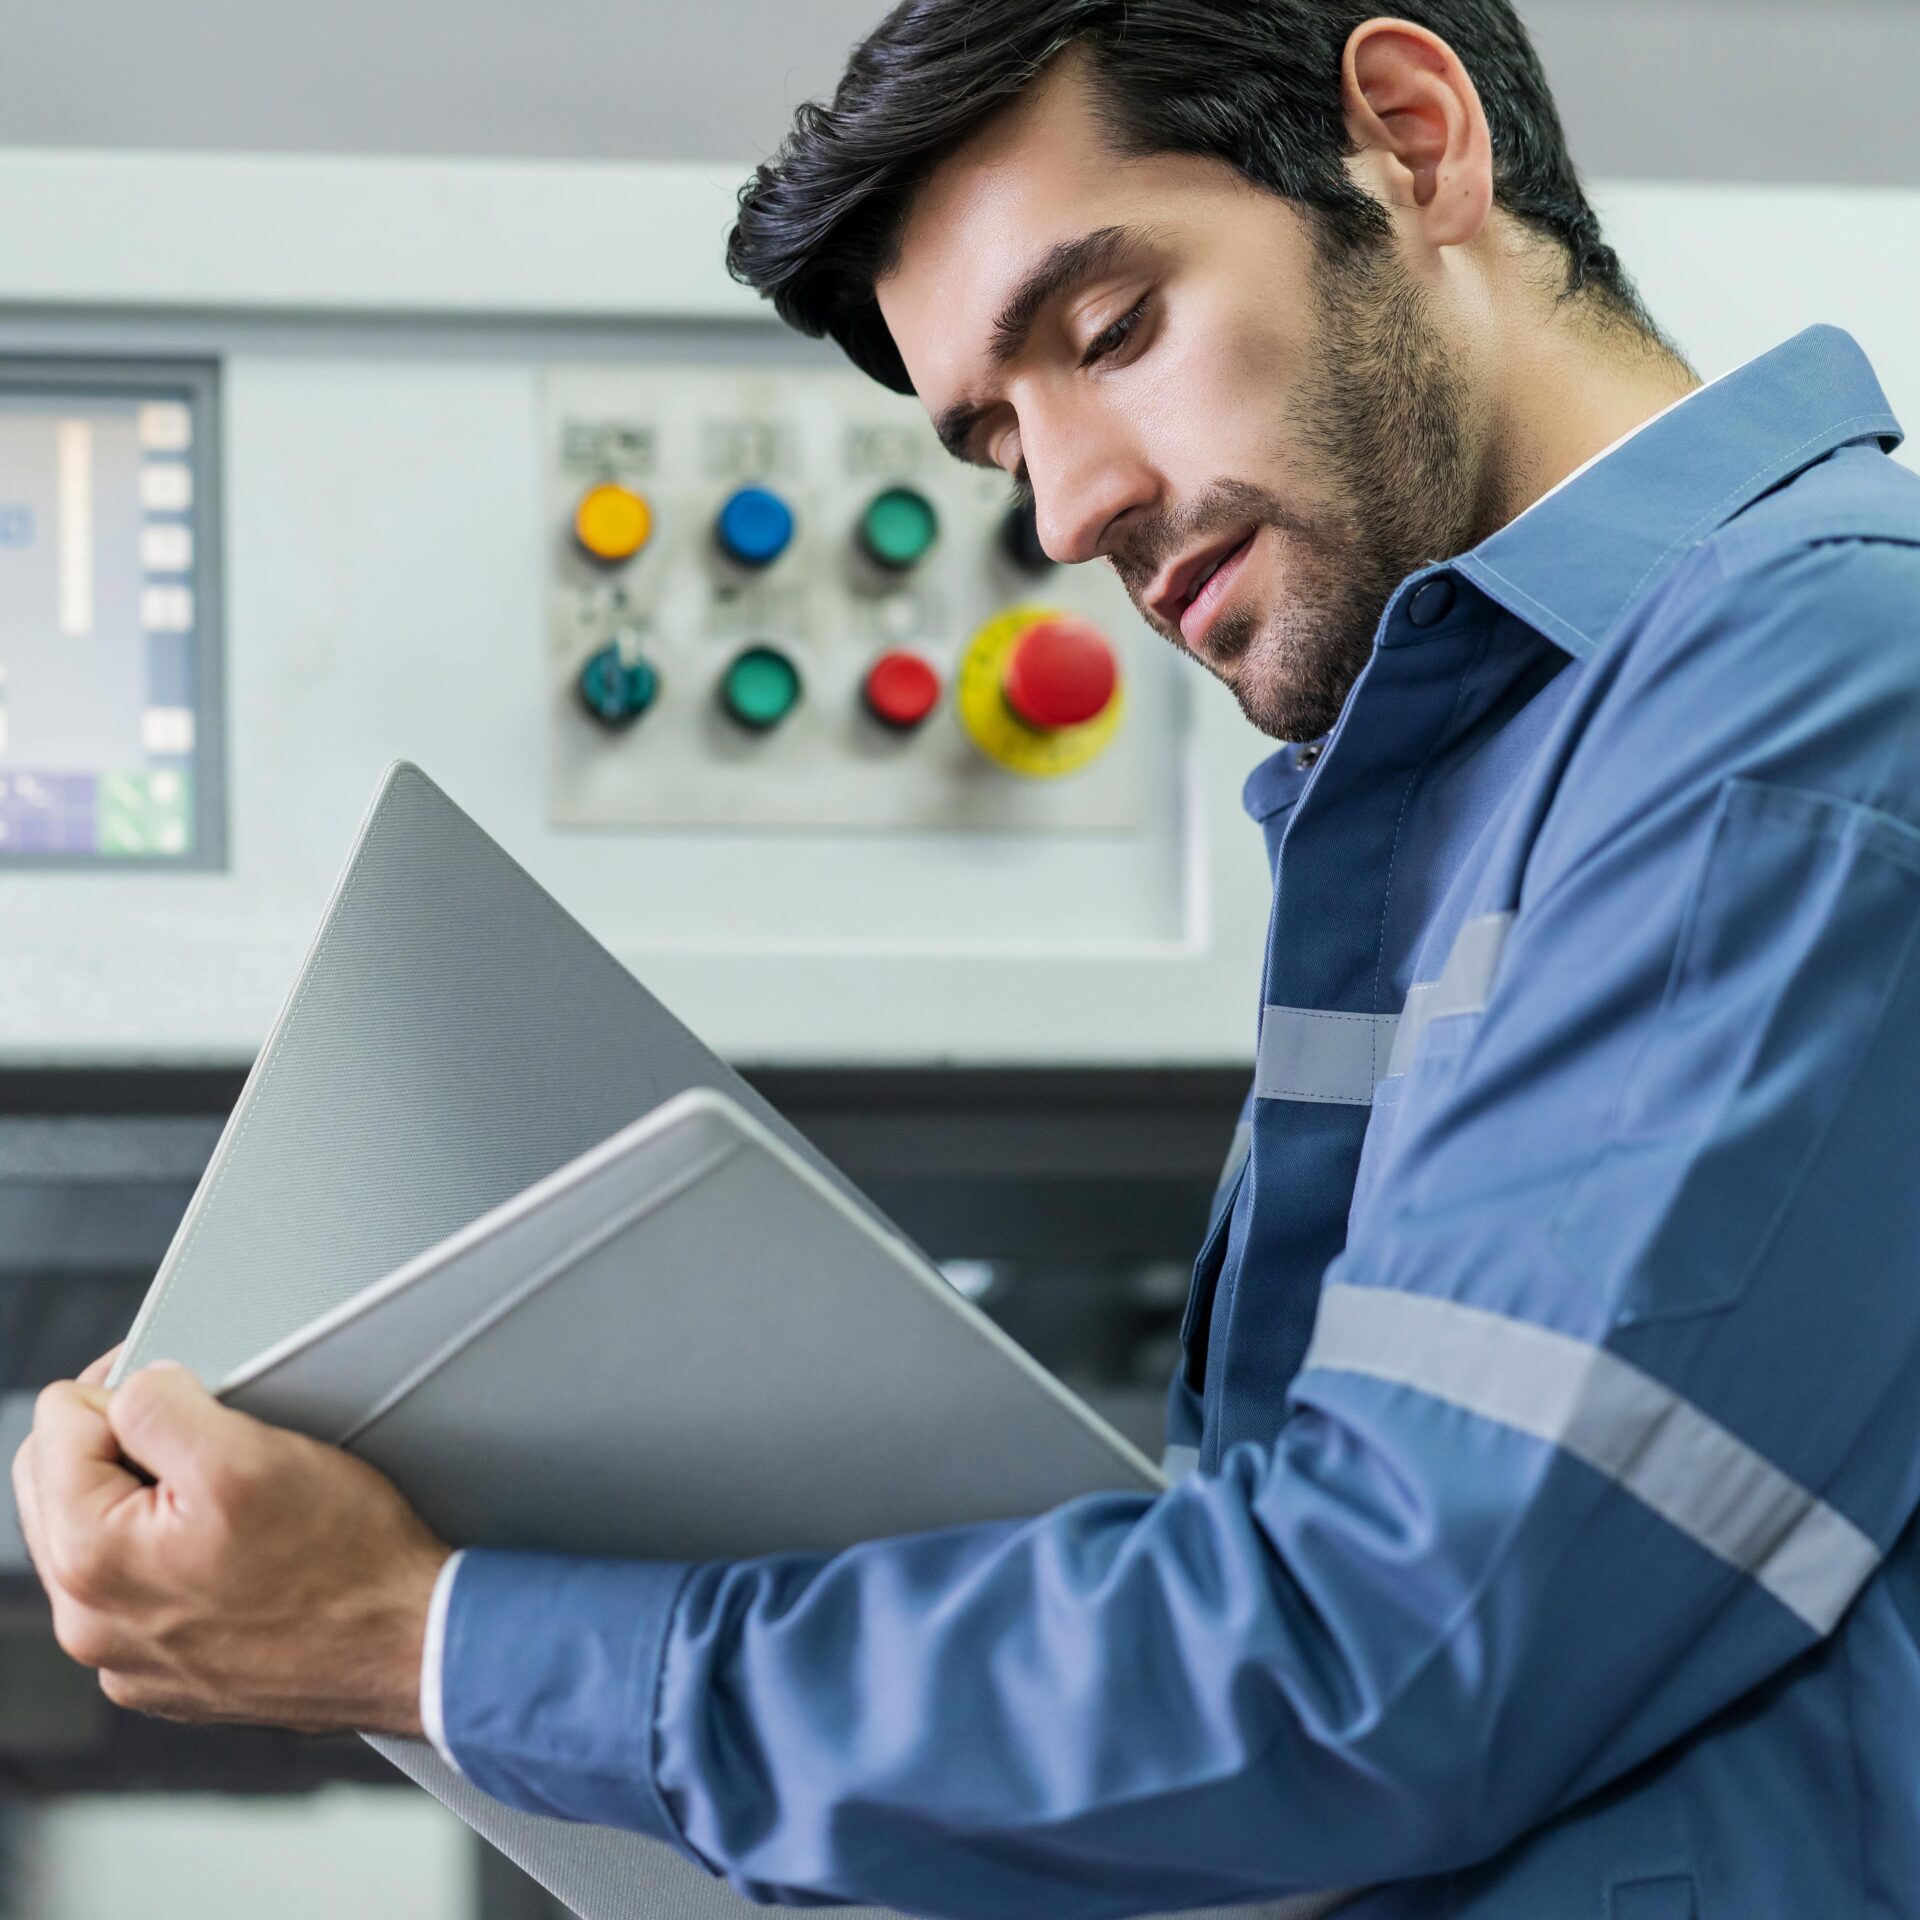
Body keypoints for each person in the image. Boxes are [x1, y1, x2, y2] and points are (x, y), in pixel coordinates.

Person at [17, 4, 1920, 1914]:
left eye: (1110, 333)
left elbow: (1383, 1661)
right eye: (1003, 436)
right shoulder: (1498, 770)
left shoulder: (1800, 709)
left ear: (1413, 141)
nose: (1071, 507)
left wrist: (419, 1637)